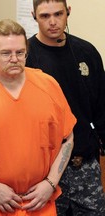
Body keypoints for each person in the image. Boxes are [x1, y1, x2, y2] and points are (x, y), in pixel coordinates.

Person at [0, 19, 77, 216]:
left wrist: (51, 183)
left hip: (40, 204)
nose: (14, 59)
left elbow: (67, 138)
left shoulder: (48, 85)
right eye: (6, 53)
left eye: (20, 52)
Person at [26, 0, 105, 215]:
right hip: (44, 171)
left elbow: (101, 107)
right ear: (34, 15)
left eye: (58, 14)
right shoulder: (25, 57)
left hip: (85, 166)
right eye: (44, 16)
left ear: (68, 12)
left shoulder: (86, 52)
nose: (53, 22)